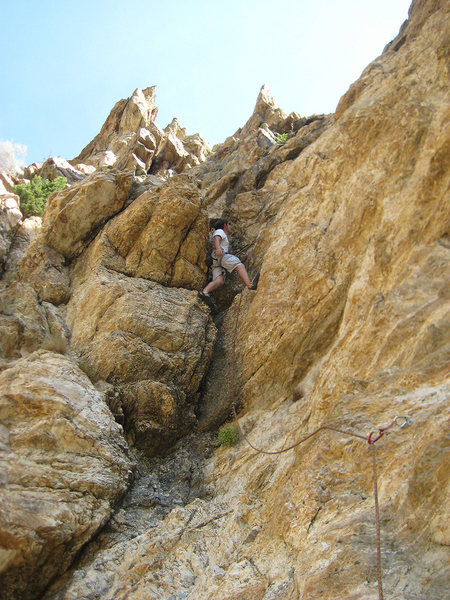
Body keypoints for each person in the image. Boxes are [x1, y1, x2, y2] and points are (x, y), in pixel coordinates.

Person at [198, 218, 259, 307]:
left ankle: (205, 292)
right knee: (239, 265)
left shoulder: (221, 235)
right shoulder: (220, 231)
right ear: (225, 225)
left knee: (219, 281)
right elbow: (216, 239)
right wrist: (218, 248)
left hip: (215, 261)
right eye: (229, 225)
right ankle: (250, 285)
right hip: (220, 256)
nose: (230, 227)